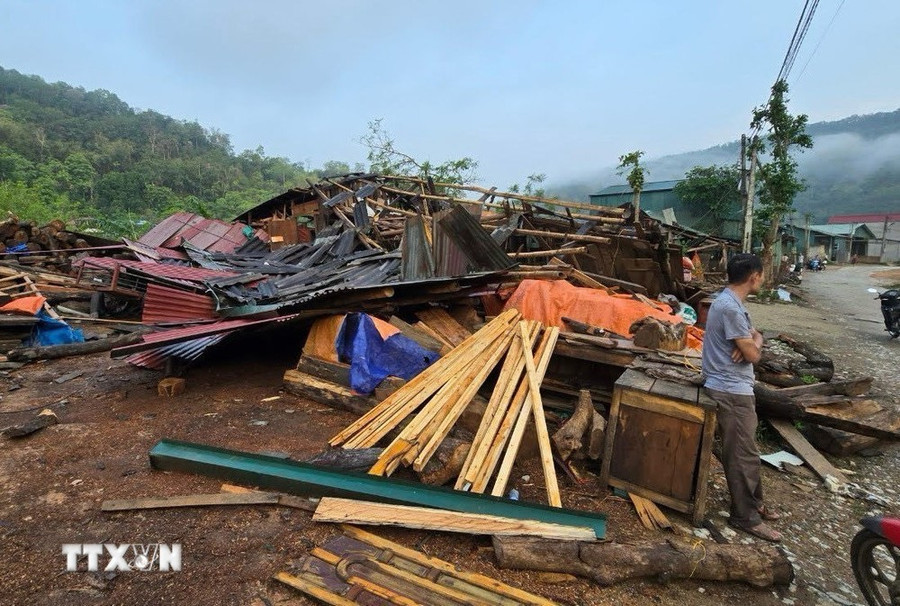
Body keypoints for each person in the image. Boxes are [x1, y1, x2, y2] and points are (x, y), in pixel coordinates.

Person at [701, 253, 783, 542]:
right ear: (754, 276)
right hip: (731, 390)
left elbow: (751, 341)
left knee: (747, 451)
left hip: (733, 387)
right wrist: (753, 344)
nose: (762, 279)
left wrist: (752, 339)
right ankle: (745, 517)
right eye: (762, 275)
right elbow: (753, 354)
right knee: (740, 454)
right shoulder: (731, 308)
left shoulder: (726, 302)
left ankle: (755, 503)